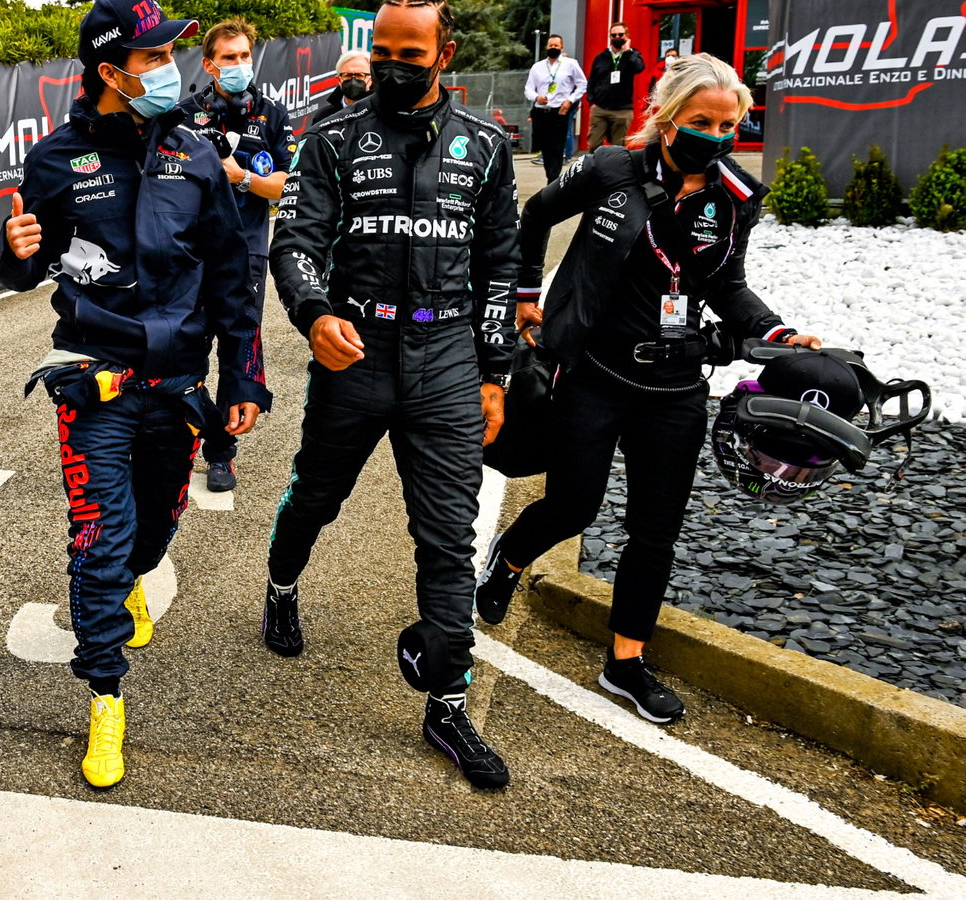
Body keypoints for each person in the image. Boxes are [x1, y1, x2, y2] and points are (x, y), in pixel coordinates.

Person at [476, 53, 822, 725]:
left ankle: (626, 663)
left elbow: (727, 285)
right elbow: (534, 216)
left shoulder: (735, 199)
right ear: (667, 119)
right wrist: (524, 298)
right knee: (574, 505)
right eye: (702, 121)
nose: (716, 135)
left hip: (675, 389)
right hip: (593, 374)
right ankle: (508, 559)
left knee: (655, 530)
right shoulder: (610, 169)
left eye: (729, 124)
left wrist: (777, 334)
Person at [0, 0, 270, 789]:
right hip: (94, 383)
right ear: (111, 73)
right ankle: (105, 696)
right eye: (151, 57)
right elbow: (23, 261)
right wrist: (11, 255)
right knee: (100, 540)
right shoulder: (56, 160)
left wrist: (243, 376)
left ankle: (137, 577)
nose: (167, 67)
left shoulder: (196, 155)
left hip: (179, 385)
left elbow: (230, 277)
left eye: (168, 54)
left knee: (152, 530)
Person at [266, 0, 519, 789]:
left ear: (445, 53)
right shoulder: (333, 139)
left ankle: (447, 700)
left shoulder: (487, 146)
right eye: (380, 50)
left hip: (446, 356)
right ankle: (281, 585)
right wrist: (313, 315)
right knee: (316, 497)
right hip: (357, 354)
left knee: (448, 539)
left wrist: (494, 370)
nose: (391, 64)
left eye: (410, 51)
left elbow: (503, 261)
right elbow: (296, 242)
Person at [180, 17, 295, 491]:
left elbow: (287, 186)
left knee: (239, 346)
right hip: (191, 253)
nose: (239, 65)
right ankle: (180, 432)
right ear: (210, 65)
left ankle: (222, 452)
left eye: (245, 56)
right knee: (185, 346)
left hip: (247, 251)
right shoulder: (184, 113)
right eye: (229, 58)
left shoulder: (273, 113)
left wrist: (240, 177)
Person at [523, 33, 586, 182]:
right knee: (545, 147)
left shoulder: (570, 64)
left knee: (557, 147)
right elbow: (528, 89)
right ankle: (549, 175)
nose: (553, 48)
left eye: (556, 45)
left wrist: (570, 100)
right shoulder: (537, 67)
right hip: (541, 111)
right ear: (546, 47)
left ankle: (553, 179)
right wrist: (536, 97)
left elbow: (582, 84)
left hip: (560, 111)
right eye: (551, 45)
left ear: (561, 47)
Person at [585, 22, 645, 149]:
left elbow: (639, 68)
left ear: (627, 36)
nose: (617, 37)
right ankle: (596, 168)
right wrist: (592, 102)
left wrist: (628, 51)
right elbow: (592, 81)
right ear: (610, 37)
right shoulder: (601, 57)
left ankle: (614, 169)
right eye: (614, 35)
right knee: (594, 144)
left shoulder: (632, 55)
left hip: (622, 110)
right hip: (600, 108)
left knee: (617, 148)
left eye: (620, 34)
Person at [316, 49, 373, 120]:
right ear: (339, 80)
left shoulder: (383, 115)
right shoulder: (324, 116)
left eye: (360, 75)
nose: (353, 81)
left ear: (371, 79)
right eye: (347, 75)